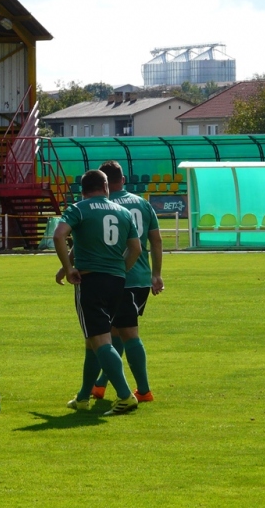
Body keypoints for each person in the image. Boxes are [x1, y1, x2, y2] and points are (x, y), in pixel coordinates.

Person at [53, 169, 142, 416]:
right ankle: (83, 396)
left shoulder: (78, 208)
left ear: (82, 190)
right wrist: (119, 269)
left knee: (100, 341)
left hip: (90, 281)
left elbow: (59, 235)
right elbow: (135, 248)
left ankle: (125, 396)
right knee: (92, 342)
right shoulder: (123, 212)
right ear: (105, 187)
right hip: (117, 282)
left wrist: (69, 269)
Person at [89, 160, 164, 402]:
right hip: (141, 278)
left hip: (117, 276)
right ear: (122, 179)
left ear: (104, 183)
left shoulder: (106, 205)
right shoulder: (142, 203)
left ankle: (143, 390)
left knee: (125, 333)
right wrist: (156, 274)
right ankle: (100, 384)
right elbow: (156, 240)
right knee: (117, 332)